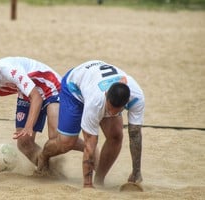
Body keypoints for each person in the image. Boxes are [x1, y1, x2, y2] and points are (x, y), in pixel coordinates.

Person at [37, 60, 145, 188]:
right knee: (66, 142)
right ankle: (43, 156)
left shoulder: (137, 97)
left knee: (116, 136)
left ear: (126, 102)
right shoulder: (96, 102)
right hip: (74, 88)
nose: (110, 114)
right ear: (106, 96)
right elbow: (90, 144)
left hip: (94, 82)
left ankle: (100, 180)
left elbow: (135, 134)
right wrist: (87, 186)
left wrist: (136, 172)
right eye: (109, 109)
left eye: (117, 111)